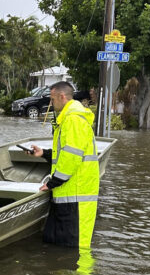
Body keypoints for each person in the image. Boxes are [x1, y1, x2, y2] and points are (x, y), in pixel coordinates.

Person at [28, 81, 100, 248]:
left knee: (75, 248)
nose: (51, 103)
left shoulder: (73, 120)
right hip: (67, 194)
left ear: (62, 97)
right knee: (57, 244)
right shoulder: (67, 119)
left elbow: (72, 157)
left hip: (76, 196)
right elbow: (65, 152)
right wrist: (44, 153)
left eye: (52, 99)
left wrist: (52, 182)